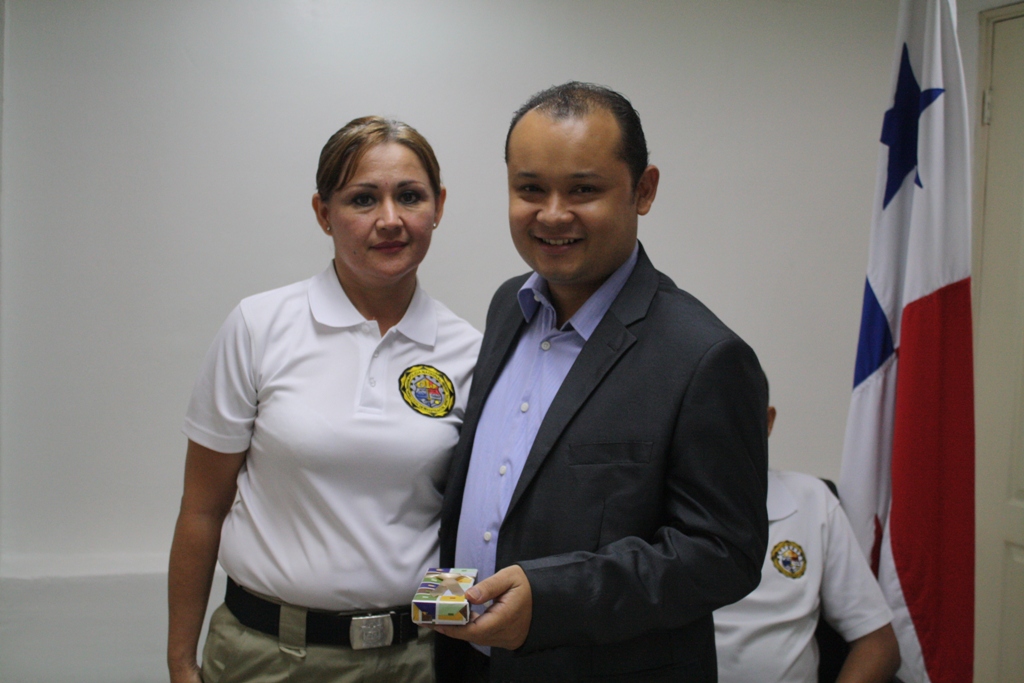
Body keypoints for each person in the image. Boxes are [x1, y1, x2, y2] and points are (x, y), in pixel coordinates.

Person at [431, 82, 769, 682]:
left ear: (644, 190)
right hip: (469, 664)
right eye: (530, 189)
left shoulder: (706, 357)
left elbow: (724, 554)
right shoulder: (509, 306)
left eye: (584, 190)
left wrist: (552, 599)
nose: (552, 214)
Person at [167, 116, 482, 683]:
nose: (390, 219)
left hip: (414, 659)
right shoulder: (260, 327)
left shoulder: (470, 351)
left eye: (410, 196)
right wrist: (181, 662)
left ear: (438, 206)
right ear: (323, 213)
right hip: (266, 656)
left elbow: (471, 519)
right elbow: (202, 509)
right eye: (363, 199)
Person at [713, 404, 901, 683]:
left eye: (738, 411)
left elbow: (879, 645)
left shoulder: (812, 500)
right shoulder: (654, 505)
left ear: (768, 420)